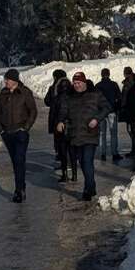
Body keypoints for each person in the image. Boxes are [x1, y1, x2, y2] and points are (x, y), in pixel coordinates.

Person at [57, 72, 111, 201]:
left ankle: (88, 189)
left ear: (84, 82)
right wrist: (60, 121)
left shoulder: (95, 94)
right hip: (75, 135)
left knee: (87, 161)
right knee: (82, 162)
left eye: (79, 83)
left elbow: (107, 107)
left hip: (90, 133)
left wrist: (97, 119)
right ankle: (91, 186)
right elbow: (63, 111)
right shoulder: (69, 97)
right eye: (74, 83)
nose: (76, 85)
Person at [0, 68, 38, 203]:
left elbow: (33, 111)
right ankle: (21, 185)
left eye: (7, 79)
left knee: (19, 159)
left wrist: (25, 128)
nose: (5, 81)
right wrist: (0, 129)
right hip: (7, 133)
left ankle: (19, 190)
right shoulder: (3, 93)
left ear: (14, 80)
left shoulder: (25, 92)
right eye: (5, 79)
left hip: (20, 132)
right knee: (15, 161)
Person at [96, 68, 122, 162]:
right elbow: (119, 97)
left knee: (102, 134)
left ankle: (103, 154)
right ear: (109, 74)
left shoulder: (98, 86)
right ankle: (114, 153)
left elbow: (95, 100)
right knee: (113, 133)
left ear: (101, 75)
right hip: (112, 111)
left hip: (101, 112)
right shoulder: (114, 84)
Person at [43, 68, 68, 164]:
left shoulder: (53, 88)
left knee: (58, 139)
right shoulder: (70, 86)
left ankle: (60, 157)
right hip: (68, 117)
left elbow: (47, 101)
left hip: (56, 117)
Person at [119, 66, 135, 156]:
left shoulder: (129, 82)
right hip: (132, 110)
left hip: (130, 110)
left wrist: (122, 107)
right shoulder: (133, 80)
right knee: (132, 130)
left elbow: (125, 97)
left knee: (132, 130)